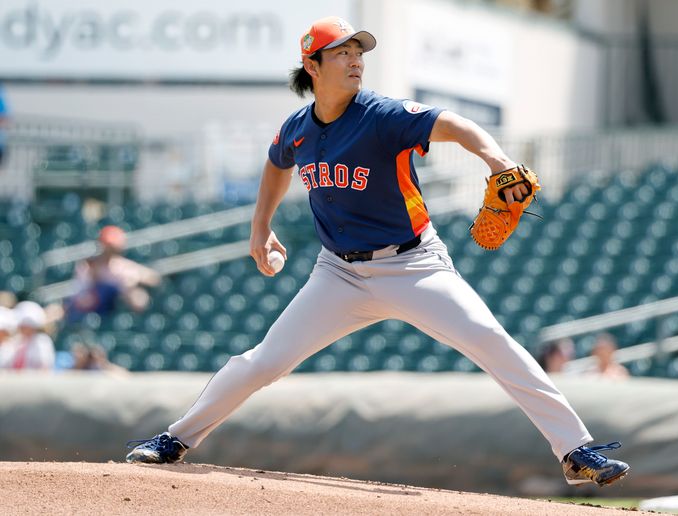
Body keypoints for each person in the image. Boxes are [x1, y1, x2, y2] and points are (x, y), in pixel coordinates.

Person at [125, 16, 629, 487]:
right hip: (337, 275)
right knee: (262, 362)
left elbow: (450, 123)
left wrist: (497, 160)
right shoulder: (298, 128)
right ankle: (175, 439)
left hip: (413, 264)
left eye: (358, 51)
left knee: (491, 341)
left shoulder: (381, 115)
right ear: (313, 66)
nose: (355, 60)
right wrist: (260, 226)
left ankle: (576, 451)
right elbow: (277, 161)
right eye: (341, 52)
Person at [64, 225, 161, 322]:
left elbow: (153, 278)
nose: (110, 251)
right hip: (92, 308)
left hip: (113, 307)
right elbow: (82, 294)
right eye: (109, 247)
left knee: (138, 297)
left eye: (114, 248)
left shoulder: (120, 265)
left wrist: (133, 278)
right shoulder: (88, 265)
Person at [0, 301, 55, 371]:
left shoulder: (42, 342)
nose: (22, 328)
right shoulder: (15, 341)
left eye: (25, 326)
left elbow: (44, 368)